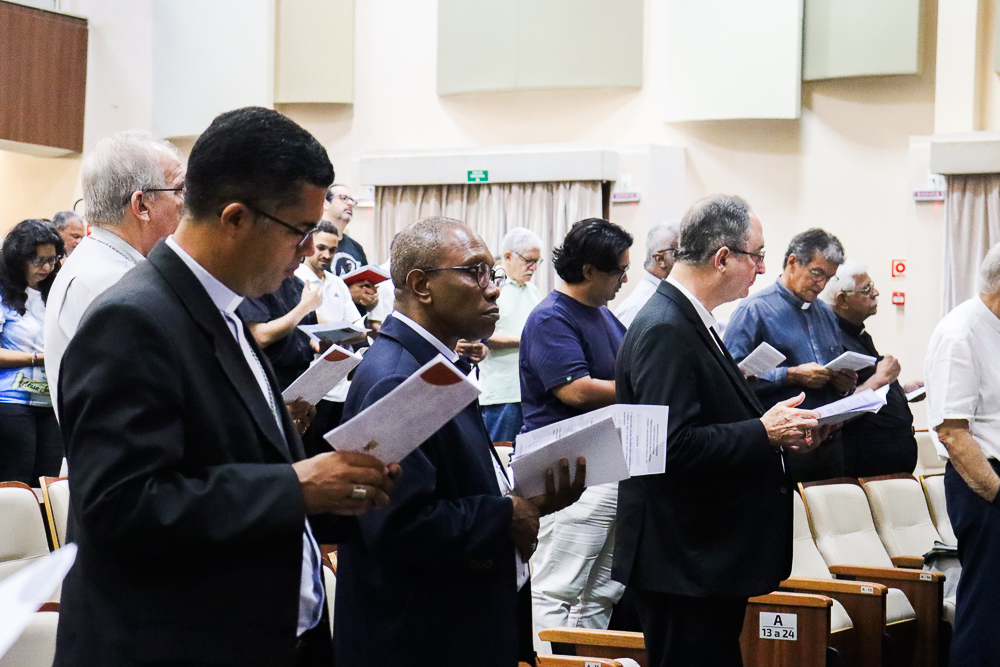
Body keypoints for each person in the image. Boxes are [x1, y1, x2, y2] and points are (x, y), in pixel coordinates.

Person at [53, 107, 400, 667]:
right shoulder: (132, 318)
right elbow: (122, 508)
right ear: (235, 218)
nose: (308, 251)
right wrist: (296, 485)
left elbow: (231, 468)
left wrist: (341, 490)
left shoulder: (225, 311)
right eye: (299, 231)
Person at [335, 216, 584, 667]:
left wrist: (528, 501)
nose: (493, 290)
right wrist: (506, 514)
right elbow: (397, 525)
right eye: (475, 272)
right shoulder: (397, 376)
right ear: (421, 286)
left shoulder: (430, 362)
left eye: (493, 273)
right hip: (421, 641)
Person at [614, 195, 823, 667]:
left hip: (703, 555)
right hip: (683, 557)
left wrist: (780, 432)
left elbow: (710, 421)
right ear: (723, 258)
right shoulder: (666, 326)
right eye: (757, 255)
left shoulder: (691, 319)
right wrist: (762, 432)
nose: (763, 268)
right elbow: (668, 447)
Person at [519, 218, 632, 647]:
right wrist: (643, 389)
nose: (624, 279)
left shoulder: (603, 315)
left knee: (601, 592)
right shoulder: (551, 317)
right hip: (566, 470)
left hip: (608, 464)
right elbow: (575, 390)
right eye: (618, 270)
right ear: (588, 270)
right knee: (556, 589)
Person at [44, 130, 185, 412]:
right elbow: (135, 407)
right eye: (180, 189)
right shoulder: (108, 283)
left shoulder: (111, 265)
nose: (188, 203)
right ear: (141, 205)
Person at [724, 227, 856, 482]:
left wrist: (843, 386)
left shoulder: (826, 314)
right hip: (782, 447)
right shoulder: (754, 310)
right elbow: (731, 378)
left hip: (829, 444)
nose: (822, 284)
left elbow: (836, 372)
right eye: (817, 273)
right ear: (793, 262)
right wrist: (791, 375)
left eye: (829, 277)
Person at [925, 244, 1000, 667]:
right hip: (983, 484)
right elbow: (953, 433)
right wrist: (997, 493)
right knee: (987, 609)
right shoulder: (960, 333)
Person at [819, 260, 922, 477]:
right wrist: (881, 379)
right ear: (842, 300)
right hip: (864, 465)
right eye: (866, 289)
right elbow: (836, 410)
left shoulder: (859, 334)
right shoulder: (831, 341)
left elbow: (870, 392)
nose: (875, 293)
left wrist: (900, 393)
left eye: (871, 286)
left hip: (891, 462)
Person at [0, 220, 65, 485]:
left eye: (52, 259)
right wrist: (38, 358)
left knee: (46, 486)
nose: (47, 267)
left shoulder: (58, 291)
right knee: (15, 487)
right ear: (19, 258)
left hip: (51, 404)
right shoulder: (4, 294)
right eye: (38, 260)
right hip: (11, 404)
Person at [293, 220, 364, 453]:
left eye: (332, 250)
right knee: (310, 453)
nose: (327, 255)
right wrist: (339, 328)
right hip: (310, 382)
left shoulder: (338, 284)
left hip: (340, 383)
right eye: (321, 248)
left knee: (336, 452)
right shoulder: (295, 279)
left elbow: (358, 327)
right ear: (309, 245)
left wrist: (339, 329)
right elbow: (304, 321)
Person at [478, 227, 544, 442]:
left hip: (530, 393)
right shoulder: (490, 288)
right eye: (529, 261)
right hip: (502, 394)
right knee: (500, 455)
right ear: (507, 257)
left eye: (537, 261)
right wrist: (523, 341)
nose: (533, 267)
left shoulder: (533, 291)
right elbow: (483, 333)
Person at [238, 275, 322, 391]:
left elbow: (306, 332)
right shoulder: (256, 283)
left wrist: (317, 344)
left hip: (301, 374)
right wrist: (304, 308)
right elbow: (260, 337)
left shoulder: (297, 283)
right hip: (268, 375)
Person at [614, 223, 680, 328]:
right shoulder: (637, 307)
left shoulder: (671, 295)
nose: (689, 259)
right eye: (681, 252)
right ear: (660, 259)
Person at [325, 184, 367, 275]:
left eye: (352, 200)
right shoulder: (312, 241)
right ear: (326, 204)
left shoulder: (356, 247)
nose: (350, 203)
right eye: (343, 198)